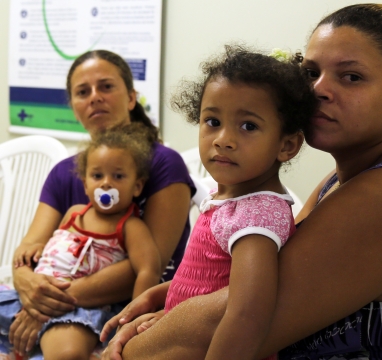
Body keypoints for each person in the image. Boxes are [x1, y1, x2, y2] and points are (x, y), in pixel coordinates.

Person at [102, 4, 382, 360]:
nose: (318, 90)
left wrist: (119, 352)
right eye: (312, 71)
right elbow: (265, 274)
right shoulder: (353, 177)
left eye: (351, 77)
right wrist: (171, 296)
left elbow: (228, 323)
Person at [100, 45, 316, 360]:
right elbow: (211, 277)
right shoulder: (230, 199)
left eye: (248, 126)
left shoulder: (257, 217)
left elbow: (247, 314)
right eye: (212, 121)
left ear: (287, 145)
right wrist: (157, 296)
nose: (222, 139)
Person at [3, 49, 195, 357]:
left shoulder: (163, 163)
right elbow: (28, 250)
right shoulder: (62, 174)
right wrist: (24, 280)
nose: (94, 97)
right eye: (83, 92)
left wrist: (45, 304)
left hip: (137, 307)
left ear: (131, 98)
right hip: (53, 298)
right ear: (74, 108)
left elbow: (147, 268)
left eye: (106, 86)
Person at [1, 123, 162, 359]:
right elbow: (56, 247)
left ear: (137, 186)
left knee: (67, 353)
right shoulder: (74, 213)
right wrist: (37, 249)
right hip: (31, 297)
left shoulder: (131, 227)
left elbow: (148, 270)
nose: (106, 183)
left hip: (82, 310)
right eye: (97, 175)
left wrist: (131, 320)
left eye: (118, 176)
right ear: (86, 184)